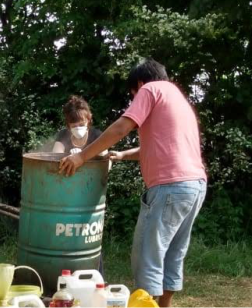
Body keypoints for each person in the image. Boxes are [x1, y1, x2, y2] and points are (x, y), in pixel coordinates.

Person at [59, 59, 207, 308]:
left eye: (132, 94)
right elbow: (161, 145)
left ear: (139, 83)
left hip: (169, 187)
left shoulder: (150, 89)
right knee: (173, 254)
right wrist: (123, 155)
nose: (134, 97)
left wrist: (82, 156)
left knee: (147, 257)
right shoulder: (178, 98)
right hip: (194, 186)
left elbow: (122, 127)